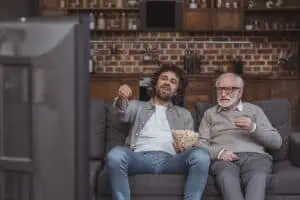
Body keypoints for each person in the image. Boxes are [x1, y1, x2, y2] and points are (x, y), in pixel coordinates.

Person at [107, 64, 211, 200]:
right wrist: (122, 97)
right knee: (115, 154)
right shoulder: (137, 106)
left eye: (173, 81)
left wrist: (185, 148)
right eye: (164, 78)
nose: (167, 82)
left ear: (176, 91)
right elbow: (122, 112)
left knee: (202, 155)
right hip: (139, 158)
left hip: (171, 160)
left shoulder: (184, 114)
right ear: (155, 84)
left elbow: (188, 144)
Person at [196, 72, 282, 200]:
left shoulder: (254, 110)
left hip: (256, 157)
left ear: (240, 92)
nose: (223, 94)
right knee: (226, 177)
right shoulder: (210, 114)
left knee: (258, 177)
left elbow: (276, 142)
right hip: (224, 159)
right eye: (220, 89)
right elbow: (200, 142)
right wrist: (219, 153)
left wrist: (253, 128)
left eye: (229, 89)